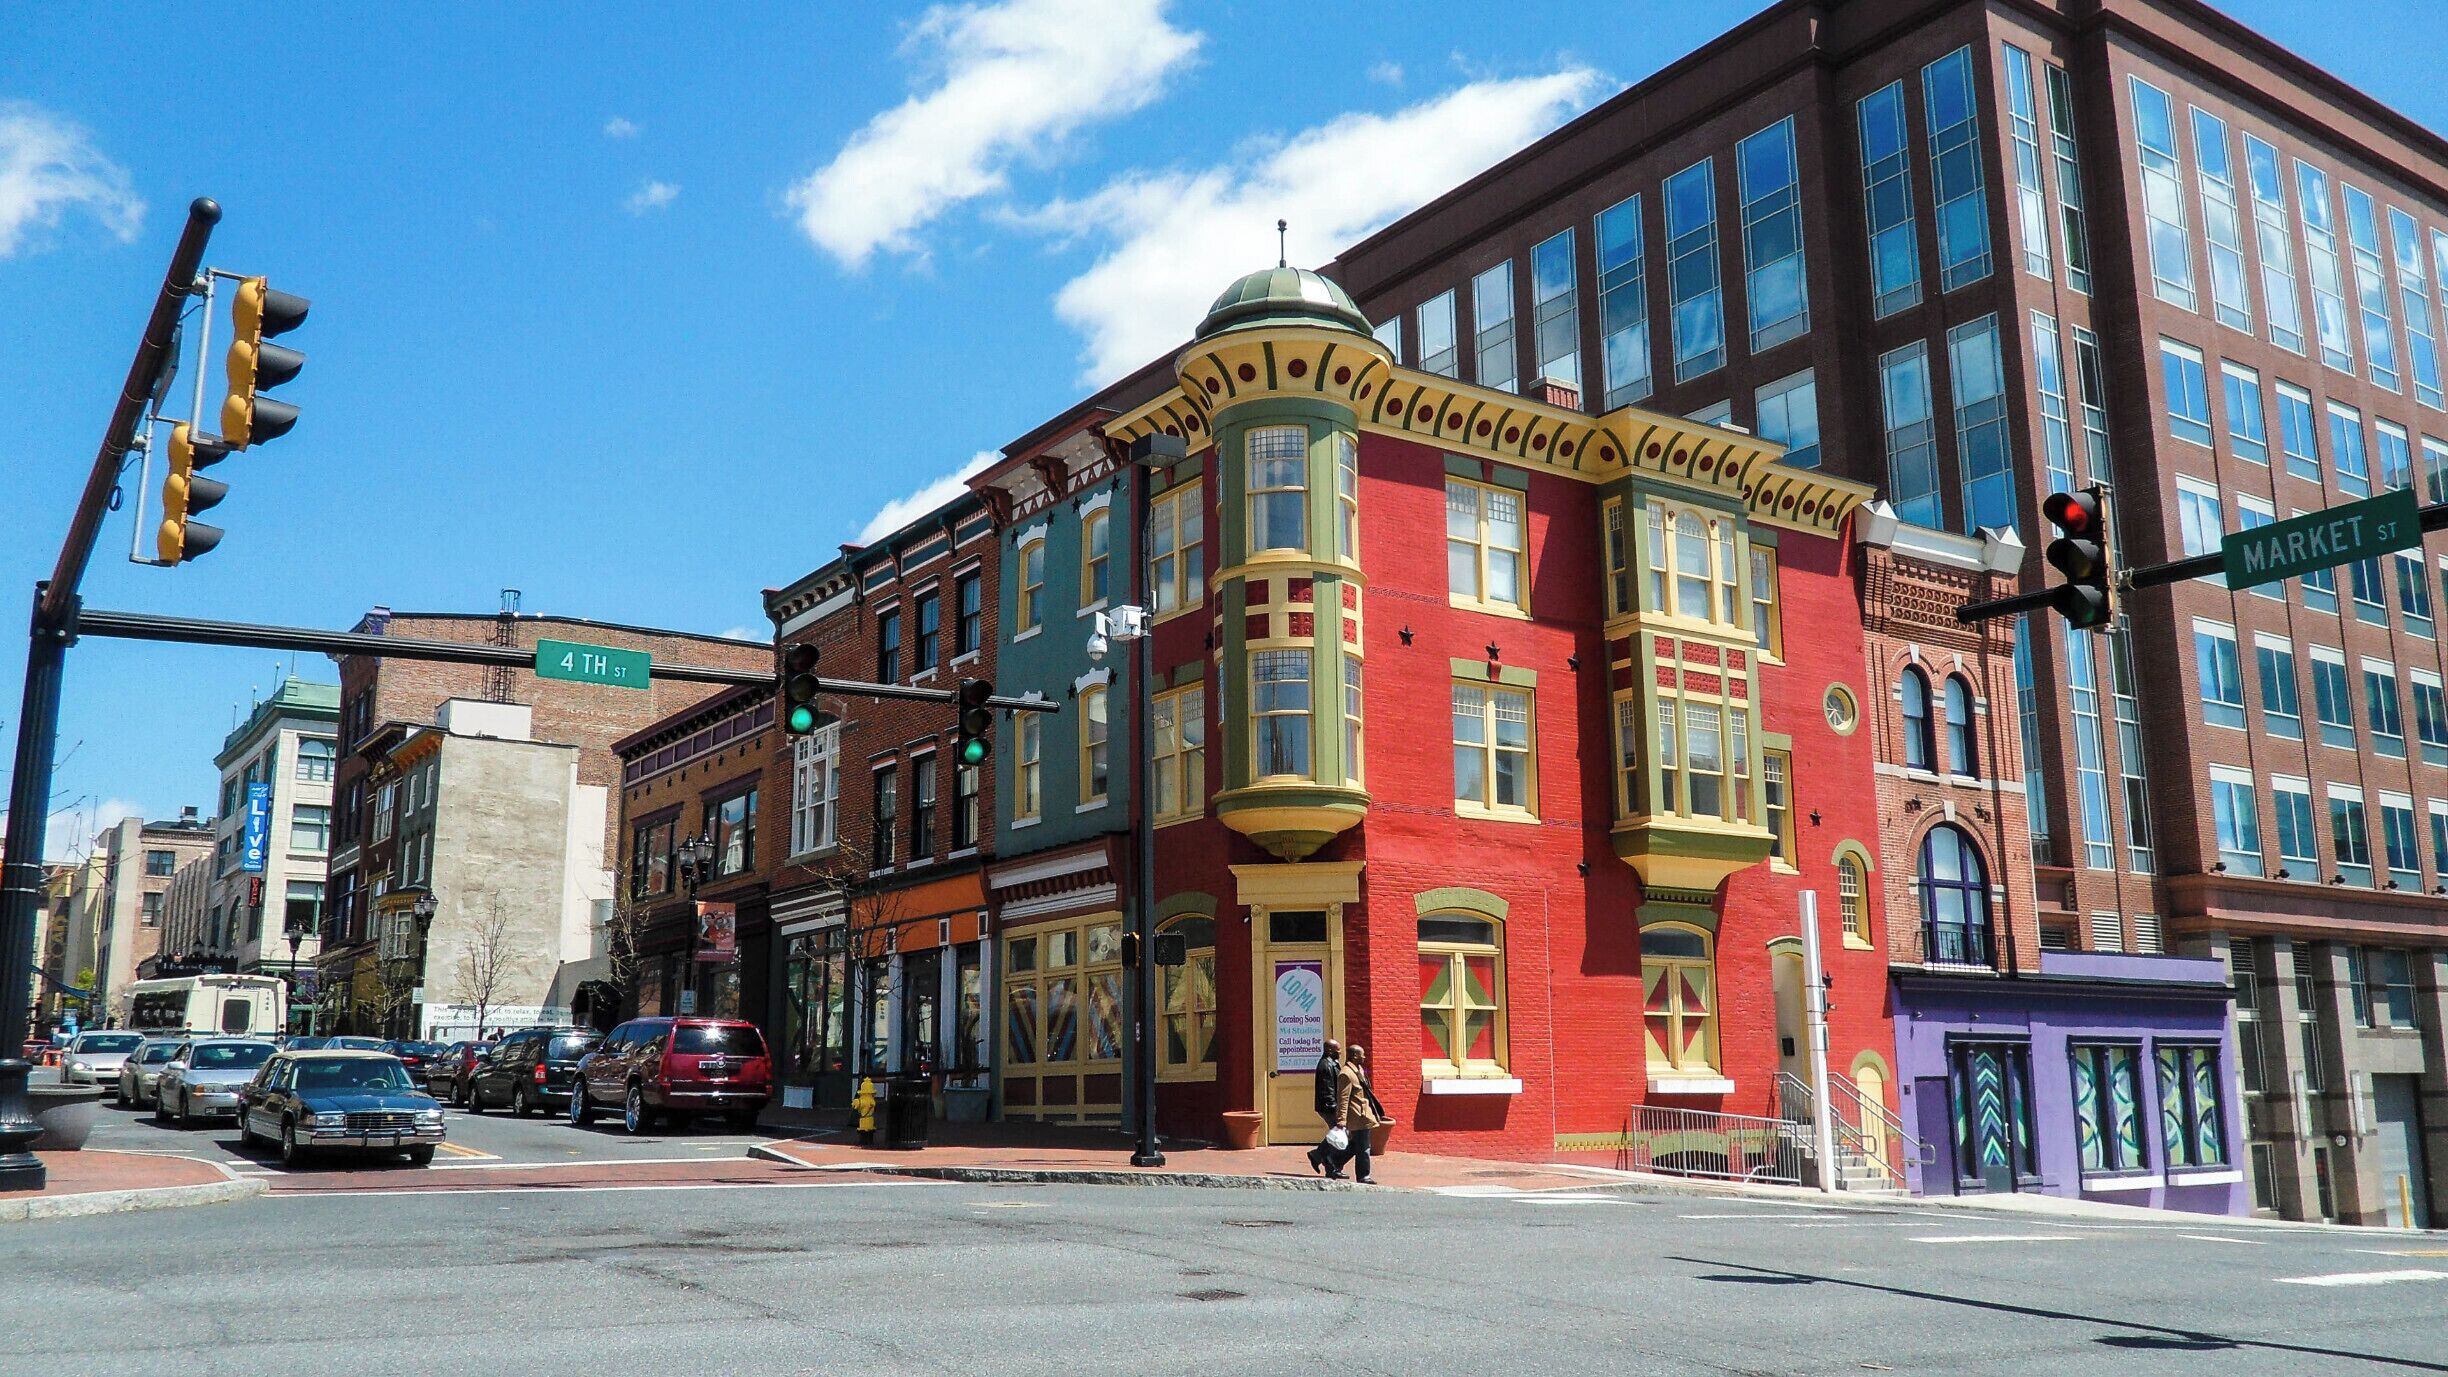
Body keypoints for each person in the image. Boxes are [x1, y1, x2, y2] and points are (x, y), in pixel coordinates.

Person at [1329, 1044, 1387, 1184]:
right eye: (1362, 1054)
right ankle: (1363, 1175)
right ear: (1355, 1056)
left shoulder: (1358, 1070)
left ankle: (1333, 1163)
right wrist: (1341, 1120)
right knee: (1364, 1147)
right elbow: (1343, 1099)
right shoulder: (1346, 1074)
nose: (1364, 1057)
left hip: (1365, 1113)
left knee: (1355, 1146)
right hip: (1357, 1116)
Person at [1305, 1039, 1343, 1177]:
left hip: (1330, 1105)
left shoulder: (1333, 1063)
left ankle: (1330, 1167)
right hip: (1328, 1106)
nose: (1340, 1053)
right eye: (1338, 1050)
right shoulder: (1325, 1065)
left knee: (1339, 1134)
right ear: (1330, 1050)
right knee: (1340, 1133)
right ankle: (1317, 1155)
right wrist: (1333, 1107)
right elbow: (1328, 1089)